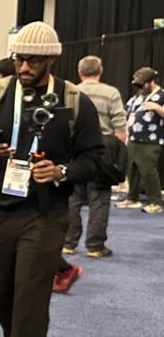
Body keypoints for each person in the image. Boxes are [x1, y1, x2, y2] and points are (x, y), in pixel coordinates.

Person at [0, 21, 102, 336]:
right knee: (0, 292)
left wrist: (62, 171)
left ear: (51, 59)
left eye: (32, 60)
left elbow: (94, 159)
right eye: (18, 58)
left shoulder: (74, 100)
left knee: (31, 298)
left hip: (45, 214)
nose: (23, 67)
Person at [65, 55, 127, 256]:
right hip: (103, 145)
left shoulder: (71, 92)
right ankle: (95, 246)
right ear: (100, 71)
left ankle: (68, 243)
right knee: (99, 196)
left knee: (73, 196)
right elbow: (120, 128)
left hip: (75, 145)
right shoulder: (111, 93)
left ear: (80, 72)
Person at [116, 66, 164, 214]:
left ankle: (155, 202)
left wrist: (157, 108)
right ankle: (132, 198)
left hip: (150, 140)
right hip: (133, 138)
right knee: (132, 170)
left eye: (142, 85)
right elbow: (126, 111)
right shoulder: (137, 97)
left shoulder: (161, 96)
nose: (140, 88)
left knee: (148, 171)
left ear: (152, 82)